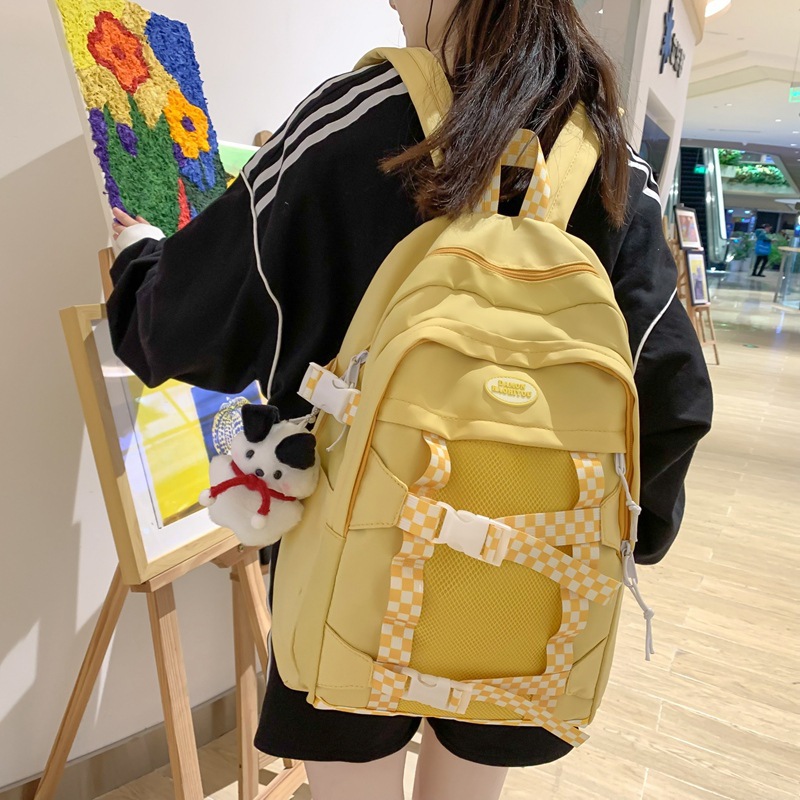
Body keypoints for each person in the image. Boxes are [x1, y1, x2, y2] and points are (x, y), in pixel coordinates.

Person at [107, 1, 713, 798]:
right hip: (534, 581)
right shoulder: (608, 159)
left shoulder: (360, 121)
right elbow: (674, 394)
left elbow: (181, 323)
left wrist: (138, 263)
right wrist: (635, 533)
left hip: (348, 573)